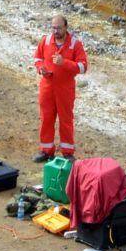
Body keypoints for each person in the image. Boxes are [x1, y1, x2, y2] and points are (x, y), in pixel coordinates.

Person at [32, 14, 88, 163]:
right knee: (46, 119)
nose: (55, 31)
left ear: (66, 27)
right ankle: (46, 151)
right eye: (53, 28)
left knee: (66, 120)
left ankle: (67, 152)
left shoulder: (75, 44)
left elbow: (83, 67)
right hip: (47, 87)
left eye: (58, 28)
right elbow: (37, 58)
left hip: (65, 89)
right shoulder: (46, 40)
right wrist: (41, 69)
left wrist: (65, 63)